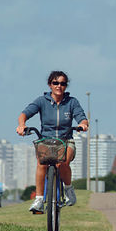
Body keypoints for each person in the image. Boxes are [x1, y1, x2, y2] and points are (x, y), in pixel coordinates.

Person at [16, 71, 89, 213]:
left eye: (62, 83)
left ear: (66, 86)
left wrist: (83, 124)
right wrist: (22, 125)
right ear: (50, 85)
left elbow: (82, 117)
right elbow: (24, 114)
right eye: (55, 83)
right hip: (46, 141)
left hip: (66, 140)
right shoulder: (41, 101)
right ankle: (38, 199)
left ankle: (68, 189)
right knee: (41, 163)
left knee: (62, 163)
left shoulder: (72, 102)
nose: (59, 86)